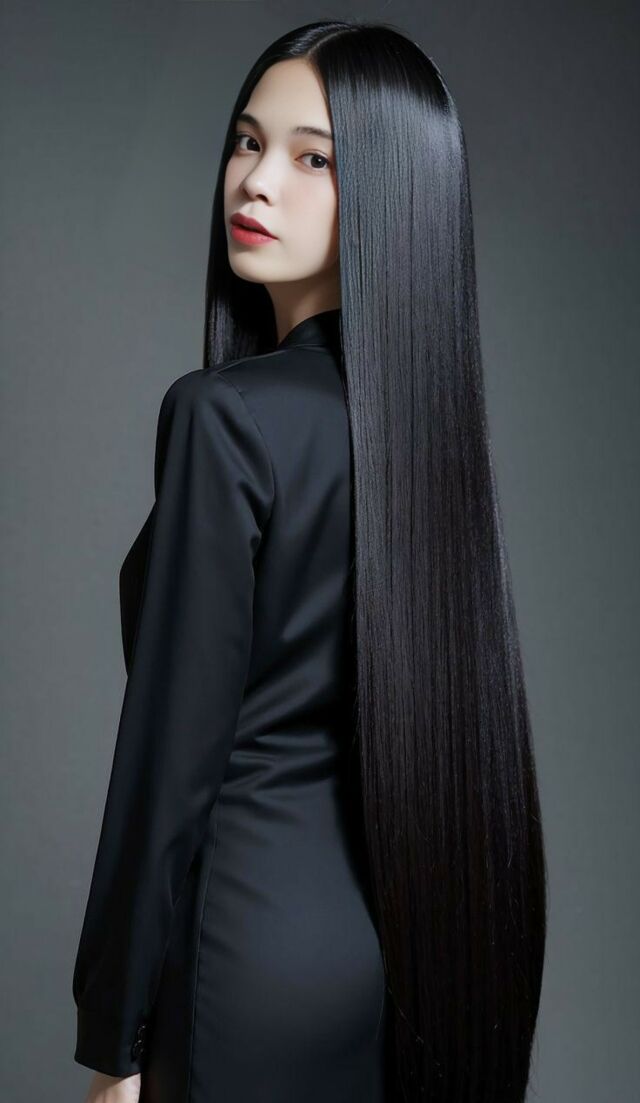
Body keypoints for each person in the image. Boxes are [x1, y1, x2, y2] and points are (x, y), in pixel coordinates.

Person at [72, 19, 547, 1103]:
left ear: (388, 191)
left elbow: (167, 761)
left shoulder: (223, 418)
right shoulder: (429, 445)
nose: (257, 180)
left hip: (240, 958)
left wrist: (113, 1041)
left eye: (314, 158)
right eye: (248, 142)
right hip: (396, 962)